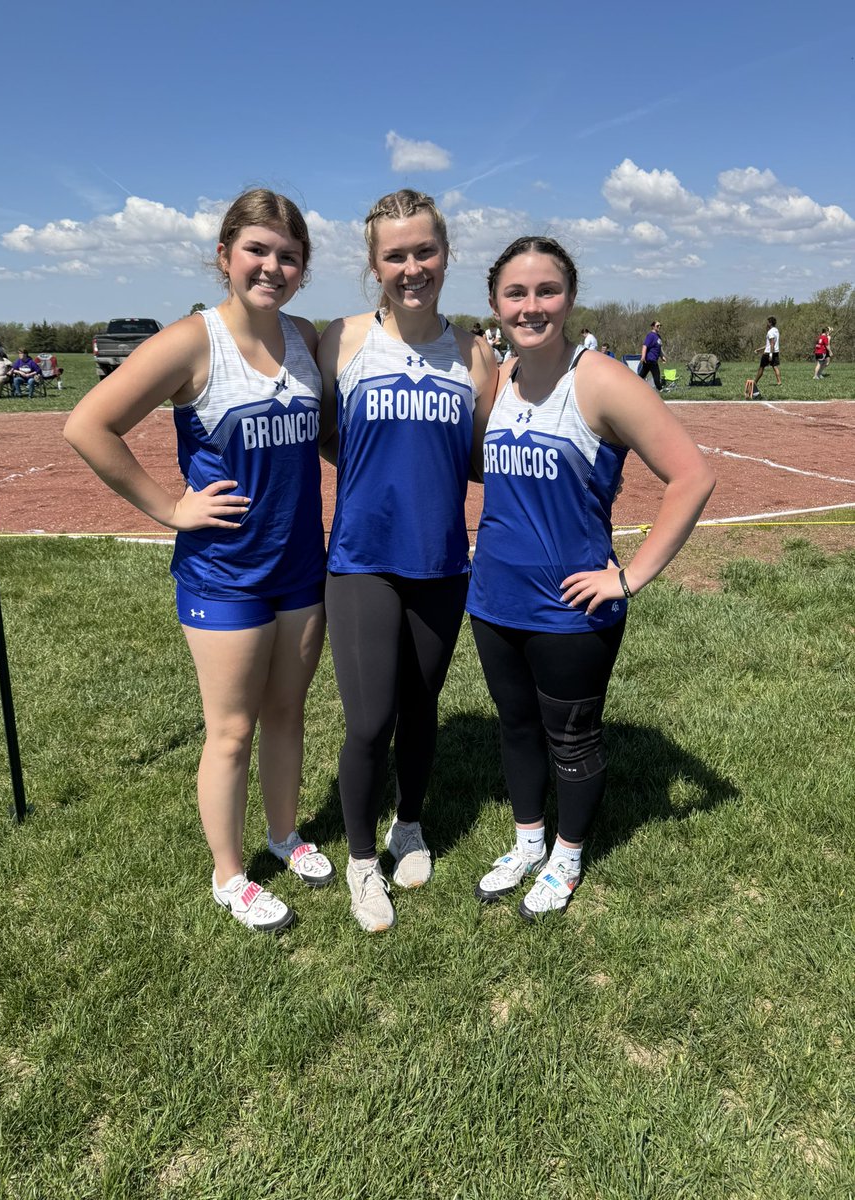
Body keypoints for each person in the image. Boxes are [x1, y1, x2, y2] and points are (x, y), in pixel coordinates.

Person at [64, 189, 333, 934]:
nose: (271, 265)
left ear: (303, 267)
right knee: (232, 730)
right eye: (256, 249)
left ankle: (285, 833)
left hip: (301, 568)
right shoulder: (192, 341)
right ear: (224, 256)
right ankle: (230, 875)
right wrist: (170, 508)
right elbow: (88, 424)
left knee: (288, 712)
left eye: (287, 254)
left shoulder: (308, 338)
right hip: (225, 574)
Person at [467, 236, 715, 921]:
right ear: (495, 303)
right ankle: (527, 841)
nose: (531, 305)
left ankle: (567, 856)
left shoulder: (600, 379)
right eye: (515, 293)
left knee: (570, 737)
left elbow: (693, 476)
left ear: (570, 298)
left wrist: (629, 577)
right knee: (515, 727)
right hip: (492, 596)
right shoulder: (500, 381)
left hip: (572, 608)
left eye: (546, 290)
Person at [318, 189, 497, 933]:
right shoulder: (342, 340)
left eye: (425, 251)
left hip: (441, 561)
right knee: (369, 720)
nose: (412, 266)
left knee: (421, 708)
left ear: (446, 255)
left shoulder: (477, 354)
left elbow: (487, 456)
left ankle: (410, 824)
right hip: (361, 560)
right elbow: (329, 437)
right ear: (374, 264)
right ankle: (363, 862)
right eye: (396, 254)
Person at [752, 317, 780, 397]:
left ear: (770, 323)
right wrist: (759, 349)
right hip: (775, 351)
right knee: (775, 366)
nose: (766, 323)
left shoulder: (770, 332)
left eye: (768, 322)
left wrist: (770, 354)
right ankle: (779, 382)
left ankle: (755, 382)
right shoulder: (776, 330)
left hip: (768, 353)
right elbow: (770, 344)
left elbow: (771, 344)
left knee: (761, 368)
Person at [638, 321, 665, 389]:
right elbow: (645, 346)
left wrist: (662, 356)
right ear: (653, 326)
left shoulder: (658, 336)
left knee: (641, 375)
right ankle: (660, 389)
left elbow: (659, 348)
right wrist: (643, 356)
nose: (659, 327)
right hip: (650, 359)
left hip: (652, 360)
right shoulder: (650, 335)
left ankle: (634, 385)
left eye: (660, 326)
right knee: (656, 376)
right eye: (657, 326)